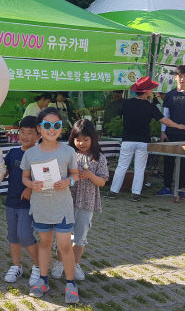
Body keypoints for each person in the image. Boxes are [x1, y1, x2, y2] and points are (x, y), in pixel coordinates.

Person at [20, 107, 80, 304]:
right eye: (47, 125)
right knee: (44, 243)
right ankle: (43, 280)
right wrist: (31, 184)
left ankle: (70, 283)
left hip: (62, 206)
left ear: (61, 128)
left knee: (64, 245)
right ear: (39, 128)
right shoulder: (30, 154)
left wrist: (68, 182)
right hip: (41, 206)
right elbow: (25, 177)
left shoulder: (68, 151)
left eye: (56, 125)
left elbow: (75, 175)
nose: (51, 129)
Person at [105, 77, 185, 201]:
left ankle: (113, 192)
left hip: (127, 140)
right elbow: (165, 121)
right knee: (140, 168)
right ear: (147, 91)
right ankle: (135, 194)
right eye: (150, 90)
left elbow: (117, 116)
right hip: (143, 142)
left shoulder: (126, 103)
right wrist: (178, 126)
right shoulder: (150, 107)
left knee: (121, 166)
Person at [67, 119, 109, 280]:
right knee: (62, 236)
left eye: (86, 139)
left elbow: (103, 181)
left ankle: (75, 264)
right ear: (73, 139)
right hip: (67, 201)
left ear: (93, 139)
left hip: (87, 202)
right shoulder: (70, 155)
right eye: (78, 139)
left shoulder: (99, 158)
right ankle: (60, 262)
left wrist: (91, 175)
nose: (82, 143)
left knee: (80, 237)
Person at [2, 116, 41, 286]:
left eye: (30, 133)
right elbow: (5, 170)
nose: (25, 136)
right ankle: (16, 266)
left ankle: (39, 266)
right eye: (22, 132)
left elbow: (45, 178)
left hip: (28, 204)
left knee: (25, 235)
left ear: (38, 135)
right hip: (11, 202)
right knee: (13, 236)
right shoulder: (13, 152)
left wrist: (31, 188)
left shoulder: (40, 154)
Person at [156, 65, 185, 201]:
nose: (182, 78)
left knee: (184, 162)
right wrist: (163, 132)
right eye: (180, 76)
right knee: (168, 161)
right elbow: (166, 114)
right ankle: (167, 187)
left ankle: (181, 188)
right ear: (175, 77)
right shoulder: (170, 95)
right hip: (170, 133)